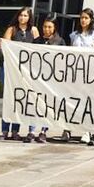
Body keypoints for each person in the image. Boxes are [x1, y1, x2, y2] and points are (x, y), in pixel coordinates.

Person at [0, 6, 39, 141]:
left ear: (30, 18)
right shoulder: (12, 29)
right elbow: (5, 47)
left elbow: (39, 48)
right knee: (9, 99)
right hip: (10, 70)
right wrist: (1, 44)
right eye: (21, 15)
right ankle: (5, 130)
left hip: (26, 72)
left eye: (25, 16)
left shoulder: (33, 30)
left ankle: (15, 130)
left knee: (19, 99)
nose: (23, 18)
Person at [29, 13, 66, 143]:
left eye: (49, 27)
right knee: (34, 104)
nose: (46, 29)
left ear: (54, 28)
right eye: (45, 26)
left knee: (48, 106)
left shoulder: (60, 42)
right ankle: (31, 131)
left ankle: (43, 131)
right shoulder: (37, 41)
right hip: (38, 78)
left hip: (52, 80)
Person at [70, 8, 94, 145]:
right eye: (82, 17)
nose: (83, 20)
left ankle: (88, 131)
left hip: (91, 72)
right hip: (77, 72)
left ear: (91, 20)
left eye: (86, 18)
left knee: (89, 101)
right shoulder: (74, 35)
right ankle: (70, 129)